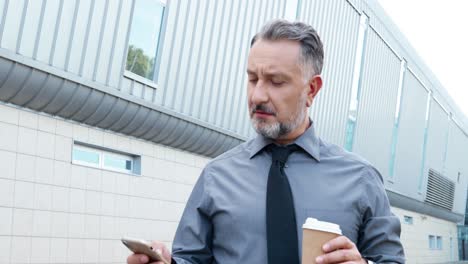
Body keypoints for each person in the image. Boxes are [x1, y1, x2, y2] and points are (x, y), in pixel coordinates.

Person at [127, 19, 405, 264]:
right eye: (252, 78)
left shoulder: (362, 179)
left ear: (312, 89)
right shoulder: (216, 176)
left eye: (275, 81)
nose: (257, 95)